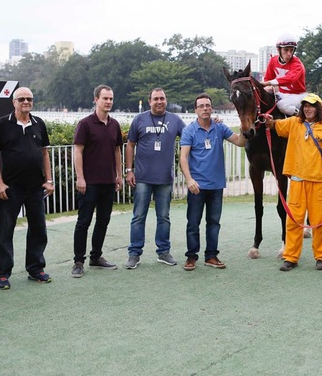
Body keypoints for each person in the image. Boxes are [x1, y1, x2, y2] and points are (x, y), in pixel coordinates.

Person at [266, 93, 322, 271]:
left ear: (319, 108)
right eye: (305, 106)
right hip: (297, 180)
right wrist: (268, 119)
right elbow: (274, 125)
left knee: (320, 221)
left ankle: (321, 256)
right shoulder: (294, 123)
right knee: (293, 221)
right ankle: (291, 257)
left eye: (312, 105)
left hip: (318, 181)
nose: (308, 109)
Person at [0, 87, 54, 289]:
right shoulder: (2, 124)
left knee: (38, 230)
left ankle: (36, 269)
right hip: (11, 188)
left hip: (36, 188)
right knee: (5, 232)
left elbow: (44, 153)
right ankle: (2, 273)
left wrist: (49, 180)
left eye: (30, 99)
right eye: (22, 99)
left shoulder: (39, 124)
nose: (26, 102)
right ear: (14, 102)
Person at [179, 93, 246, 271]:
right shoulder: (189, 130)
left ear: (212, 108)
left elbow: (239, 142)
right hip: (197, 186)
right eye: (201, 106)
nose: (205, 108)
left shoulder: (220, 128)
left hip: (216, 185)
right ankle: (191, 256)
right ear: (195, 110)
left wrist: (244, 128)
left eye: (208, 105)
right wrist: (189, 179)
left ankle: (211, 256)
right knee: (193, 223)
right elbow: (183, 158)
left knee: (214, 222)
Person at [124, 87, 186, 269]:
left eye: (162, 99)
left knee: (164, 217)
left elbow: (191, 135)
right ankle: (134, 253)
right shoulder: (139, 119)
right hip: (142, 177)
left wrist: (211, 123)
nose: (159, 102)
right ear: (149, 101)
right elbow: (130, 145)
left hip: (165, 178)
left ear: (166, 101)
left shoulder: (175, 120)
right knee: (138, 217)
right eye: (156, 99)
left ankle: (163, 251)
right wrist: (129, 170)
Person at [71, 85, 124, 278]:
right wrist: (80, 177)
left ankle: (96, 256)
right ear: (96, 100)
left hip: (108, 182)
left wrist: (118, 175)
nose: (108, 102)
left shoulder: (115, 125)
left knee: (103, 221)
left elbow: (117, 151)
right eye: (105, 98)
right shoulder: (85, 124)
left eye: (111, 99)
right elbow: (78, 151)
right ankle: (78, 261)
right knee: (83, 222)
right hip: (89, 183)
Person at [261, 33, 307, 116]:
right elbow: (268, 79)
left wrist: (267, 83)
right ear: (279, 50)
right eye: (286, 50)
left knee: (282, 105)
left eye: (291, 50)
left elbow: (290, 79)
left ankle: (301, 117)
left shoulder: (297, 64)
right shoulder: (273, 61)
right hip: (281, 94)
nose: (289, 54)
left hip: (298, 95)